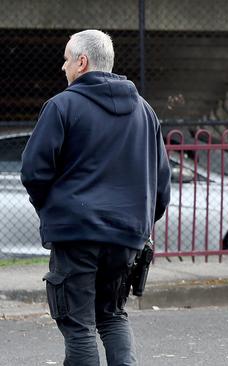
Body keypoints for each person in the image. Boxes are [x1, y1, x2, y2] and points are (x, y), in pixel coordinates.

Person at [21, 29, 171, 366]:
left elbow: (33, 172)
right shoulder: (145, 112)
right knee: (112, 316)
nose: (63, 67)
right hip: (126, 237)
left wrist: (53, 210)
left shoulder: (62, 106)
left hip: (77, 234)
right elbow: (161, 184)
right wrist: (140, 220)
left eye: (66, 59)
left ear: (82, 61)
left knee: (78, 325)